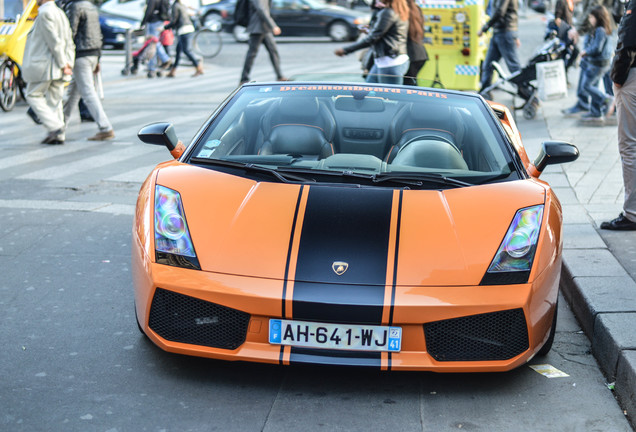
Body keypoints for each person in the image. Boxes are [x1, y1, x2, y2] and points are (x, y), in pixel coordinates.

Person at [601, 0, 636, 230]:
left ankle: (632, 214)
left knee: (629, 144)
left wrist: (617, 76)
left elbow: (628, 41)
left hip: (631, 77)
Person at [22, 0, 75, 145]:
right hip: (58, 65)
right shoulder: (59, 12)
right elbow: (68, 40)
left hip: (47, 65)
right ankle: (59, 134)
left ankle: (55, 127)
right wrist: (68, 62)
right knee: (55, 99)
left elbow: (54, 42)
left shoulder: (45, 13)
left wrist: (64, 63)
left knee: (32, 94)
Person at [62, 0, 115, 141]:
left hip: (81, 54)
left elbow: (70, 33)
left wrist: (64, 57)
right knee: (73, 92)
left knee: (87, 92)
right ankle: (59, 127)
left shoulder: (74, 6)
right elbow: (98, 33)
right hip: (92, 53)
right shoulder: (90, 6)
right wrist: (98, 57)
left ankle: (105, 127)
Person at [334, 0, 409, 85]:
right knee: (369, 88)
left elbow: (373, 38)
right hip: (389, 59)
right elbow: (385, 33)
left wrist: (346, 50)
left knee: (389, 95)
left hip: (389, 61)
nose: (376, 3)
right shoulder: (398, 10)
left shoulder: (387, 12)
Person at [562, 5, 614, 125]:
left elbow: (597, 48)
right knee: (593, 85)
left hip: (597, 63)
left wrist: (585, 51)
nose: (589, 19)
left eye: (591, 17)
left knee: (586, 86)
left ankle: (606, 99)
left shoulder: (600, 30)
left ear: (597, 17)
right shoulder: (602, 28)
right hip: (600, 63)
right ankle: (596, 113)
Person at [477, 0, 522, 98]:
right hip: (500, 32)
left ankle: (527, 93)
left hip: (504, 32)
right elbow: (512, 12)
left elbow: (500, 12)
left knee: (514, 68)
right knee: (488, 65)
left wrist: (485, 28)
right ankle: (484, 93)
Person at [239, 0, 287, 85]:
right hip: (258, 27)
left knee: (273, 51)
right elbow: (261, 9)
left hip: (264, 28)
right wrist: (273, 26)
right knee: (252, 54)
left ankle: (279, 76)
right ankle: (244, 78)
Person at [165, 0, 203, 78]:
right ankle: (173, 71)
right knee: (178, 51)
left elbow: (174, 20)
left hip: (184, 30)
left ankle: (198, 67)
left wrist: (165, 27)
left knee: (186, 50)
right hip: (187, 28)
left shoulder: (175, 6)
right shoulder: (181, 4)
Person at [141, 0, 173, 78]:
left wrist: (143, 22)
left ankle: (156, 65)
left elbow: (149, 10)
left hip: (153, 21)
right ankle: (157, 64)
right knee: (154, 43)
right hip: (160, 20)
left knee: (152, 43)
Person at [403, 0, 427, 86]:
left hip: (411, 53)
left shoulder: (404, 11)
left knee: (408, 84)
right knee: (411, 82)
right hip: (420, 53)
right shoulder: (416, 9)